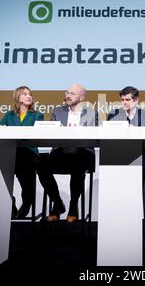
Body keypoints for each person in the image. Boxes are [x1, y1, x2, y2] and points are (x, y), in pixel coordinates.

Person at [38, 84, 98, 222]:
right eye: (67, 92)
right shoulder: (58, 111)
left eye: (72, 93)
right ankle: (57, 203)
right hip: (61, 153)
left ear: (81, 97)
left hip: (81, 154)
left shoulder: (90, 113)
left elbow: (92, 136)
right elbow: (51, 132)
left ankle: (73, 205)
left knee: (78, 158)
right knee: (41, 165)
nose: (67, 95)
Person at [107, 86, 145, 221]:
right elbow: (108, 136)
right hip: (119, 158)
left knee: (136, 195)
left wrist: (136, 131)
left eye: (127, 99)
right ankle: (118, 219)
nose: (124, 103)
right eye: (122, 100)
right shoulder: (114, 114)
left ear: (136, 100)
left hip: (140, 156)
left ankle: (138, 219)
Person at [0, 86, 44, 219]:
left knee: (23, 159)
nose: (29, 96)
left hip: (29, 154)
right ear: (18, 97)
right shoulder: (9, 115)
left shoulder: (37, 115)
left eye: (30, 94)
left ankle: (26, 204)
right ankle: (10, 202)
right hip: (12, 154)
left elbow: (34, 135)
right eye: (25, 94)